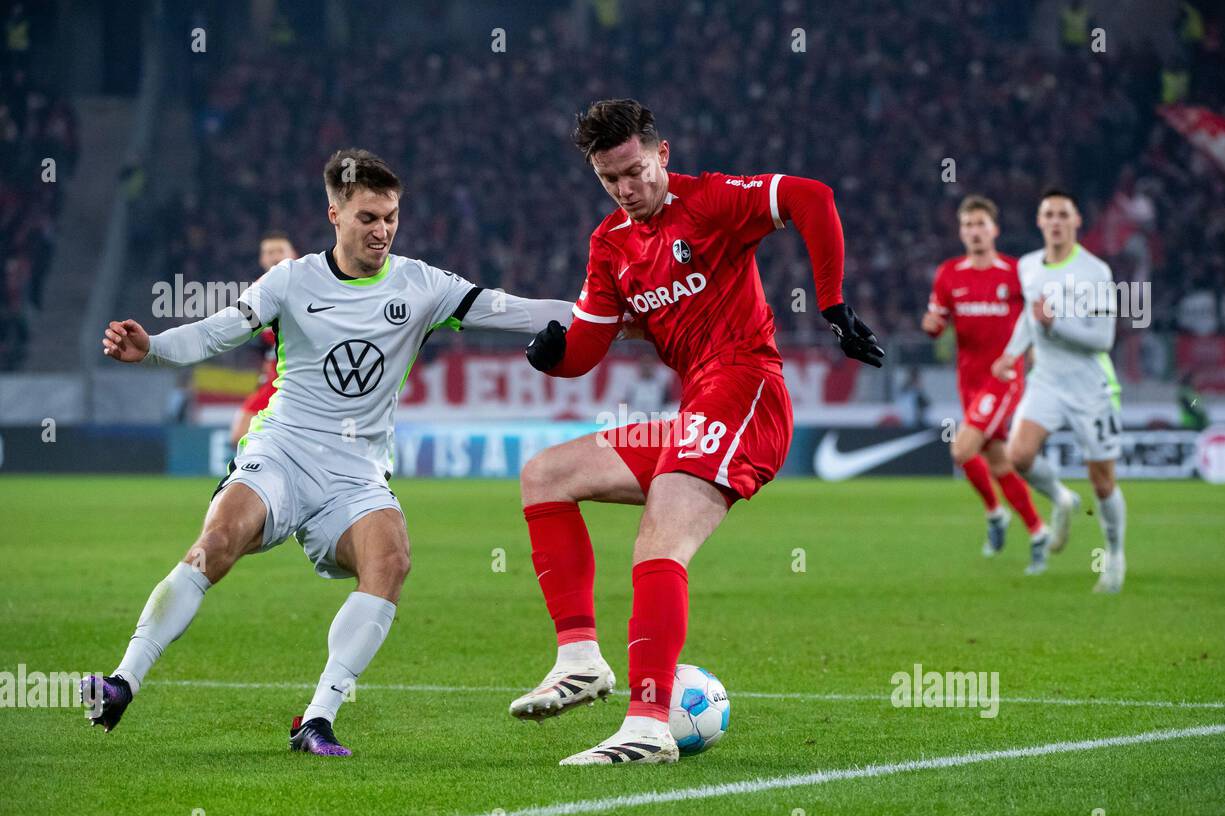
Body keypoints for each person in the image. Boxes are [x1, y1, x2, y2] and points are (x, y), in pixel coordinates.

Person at [82, 148, 574, 755]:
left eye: (391, 216)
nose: (383, 230)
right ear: (334, 215)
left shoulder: (423, 285)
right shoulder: (292, 280)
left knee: (390, 561)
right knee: (217, 541)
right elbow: (217, 330)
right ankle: (121, 681)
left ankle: (317, 718)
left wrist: (610, 315)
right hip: (282, 448)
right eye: (368, 217)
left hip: (357, 473)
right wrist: (151, 346)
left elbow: (516, 310)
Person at [512, 99, 884, 765]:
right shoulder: (611, 245)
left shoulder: (710, 202)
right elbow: (586, 348)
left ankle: (650, 724)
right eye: (610, 179)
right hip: (698, 411)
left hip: (746, 391)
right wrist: (553, 357)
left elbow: (812, 197)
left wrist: (831, 302)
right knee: (545, 474)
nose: (628, 189)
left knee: (660, 535)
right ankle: (580, 658)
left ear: (662, 154)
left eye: (634, 171)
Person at [992, 189, 1126, 593]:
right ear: (1039, 222)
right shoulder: (1029, 266)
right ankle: (1062, 499)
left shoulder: (1095, 270)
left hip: (1091, 386)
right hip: (1046, 380)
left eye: (1062, 214)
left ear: (1076, 221)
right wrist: (1011, 354)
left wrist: (1055, 326)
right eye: (1048, 214)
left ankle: (1115, 555)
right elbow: (1029, 320)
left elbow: (1103, 338)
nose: (1055, 221)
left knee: (1102, 481)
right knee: (1019, 454)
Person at [923, 195, 1046, 571]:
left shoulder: (1015, 272)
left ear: (994, 229)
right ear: (961, 232)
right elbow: (937, 320)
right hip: (970, 381)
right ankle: (1037, 531)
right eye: (968, 225)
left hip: (1005, 377)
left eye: (981, 224)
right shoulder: (948, 274)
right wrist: (931, 327)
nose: (974, 231)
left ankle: (995, 515)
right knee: (997, 462)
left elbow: (1036, 320)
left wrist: (1036, 357)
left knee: (961, 450)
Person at [230, 231, 297, 448]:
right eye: (269, 252)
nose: (275, 256)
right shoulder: (256, 291)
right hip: (274, 378)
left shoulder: (307, 284)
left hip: (300, 379)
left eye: (279, 251)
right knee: (239, 436)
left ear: (293, 255)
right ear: (262, 259)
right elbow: (249, 333)